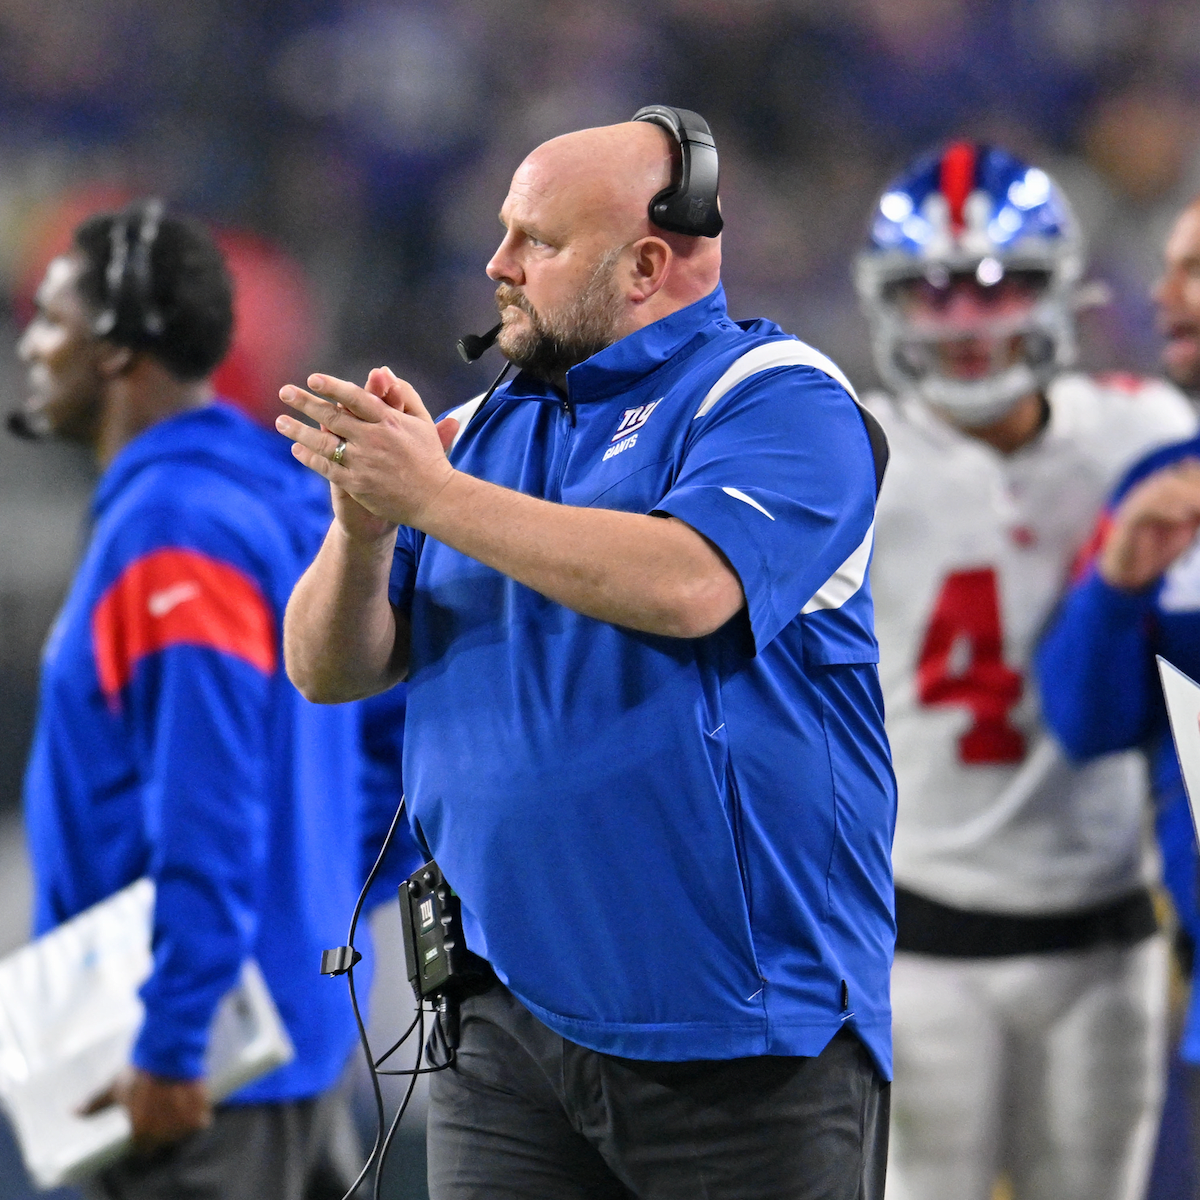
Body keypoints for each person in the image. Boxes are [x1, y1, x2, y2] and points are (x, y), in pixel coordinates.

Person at [277, 111, 896, 1200]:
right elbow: (328, 668)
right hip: (501, 1025)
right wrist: (363, 529)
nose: (496, 265)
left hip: (739, 1032)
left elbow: (692, 584)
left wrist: (430, 493)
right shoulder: (474, 434)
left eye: (538, 242)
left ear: (650, 264)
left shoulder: (779, 399)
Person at [854, 142, 1197, 1200]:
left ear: (1064, 286)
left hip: (1111, 921)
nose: (968, 321)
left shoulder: (1144, 429)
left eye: (1000, 285)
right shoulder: (850, 446)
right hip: (923, 928)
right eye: (934, 290)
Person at [12, 201, 371, 1200]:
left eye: (50, 318)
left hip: (200, 1069)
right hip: (275, 1039)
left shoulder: (176, 529)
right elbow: (391, 745)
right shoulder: (270, 503)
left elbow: (204, 793)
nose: (30, 345)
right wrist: (316, 912)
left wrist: (176, 1034)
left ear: (121, 349)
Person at [1037, 194, 1200, 1200]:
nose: (1161, 290)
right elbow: (1086, 719)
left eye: (1192, 269)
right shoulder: (1161, 491)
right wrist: (1116, 589)